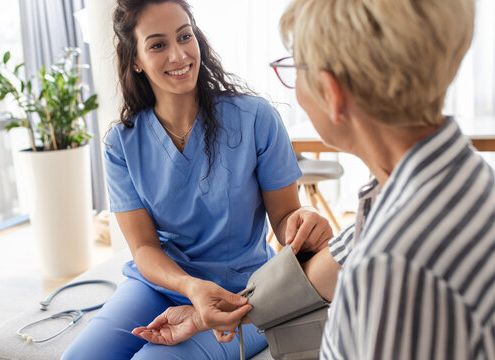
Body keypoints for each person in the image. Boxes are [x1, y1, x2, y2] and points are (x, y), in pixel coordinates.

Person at [134, 0, 495, 358]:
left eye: (295, 66)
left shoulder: (392, 264)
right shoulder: (444, 183)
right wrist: (201, 317)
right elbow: (324, 271)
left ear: (331, 92)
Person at [62, 0, 335, 359]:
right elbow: (144, 247)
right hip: (159, 285)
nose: (178, 55)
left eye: (184, 36)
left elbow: (285, 219)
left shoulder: (256, 118)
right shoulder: (122, 143)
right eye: (158, 44)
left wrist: (302, 225)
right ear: (135, 60)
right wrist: (189, 287)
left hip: (243, 293)